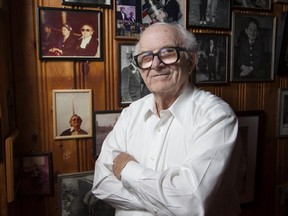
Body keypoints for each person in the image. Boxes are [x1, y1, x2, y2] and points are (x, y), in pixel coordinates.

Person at [92, 22, 242, 216]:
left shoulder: (217, 117)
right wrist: (167, 203)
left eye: (167, 52)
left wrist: (127, 169)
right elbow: (102, 184)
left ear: (190, 61)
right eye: (146, 57)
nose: (156, 64)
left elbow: (191, 204)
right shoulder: (131, 113)